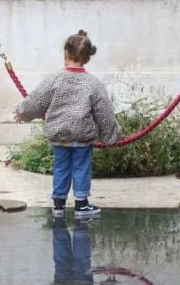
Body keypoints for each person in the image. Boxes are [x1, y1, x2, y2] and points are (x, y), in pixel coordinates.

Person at [14, 30, 122, 217]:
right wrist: (111, 135)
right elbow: (104, 111)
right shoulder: (93, 83)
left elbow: (38, 99)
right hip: (81, 136)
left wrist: (23, 112)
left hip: (59, 134)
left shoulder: (55, 79)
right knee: (81, 167)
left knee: (60, 167)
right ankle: (81, 204)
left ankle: (58, 204)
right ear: (87, 59)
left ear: (65, 54)